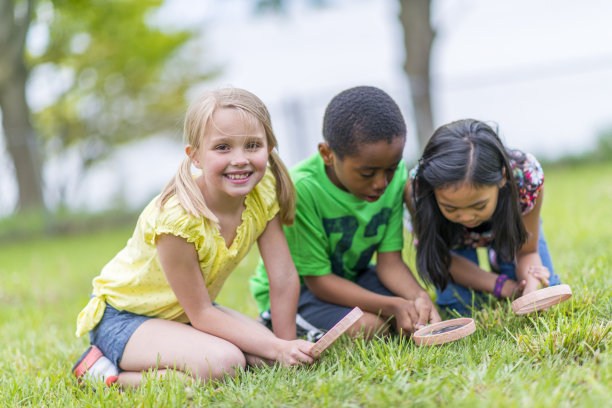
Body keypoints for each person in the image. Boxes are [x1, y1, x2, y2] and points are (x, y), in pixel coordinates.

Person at [72, 87, 314, 388]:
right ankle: (104, 375)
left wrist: (286, 346)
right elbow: (201, 313)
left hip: (182, 316)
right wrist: (279, 348)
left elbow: (283, 276)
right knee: (226, 364)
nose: (240, 160)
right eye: (223, 147)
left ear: (269, 148)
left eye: (252, 145)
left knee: (263, 360)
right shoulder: (178, 219)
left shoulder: (262, 190)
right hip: (126, 319)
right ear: (195, 156)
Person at [249, 86, 440, 340]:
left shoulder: (394, 179)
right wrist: (392, 304)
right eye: (367, 173)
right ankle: (267, 325)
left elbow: (390, 262)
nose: (381, 183)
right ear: (327, 154)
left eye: (391, 169)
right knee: (370, 329)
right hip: (302, 290)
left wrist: (417, 297)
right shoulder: (302, 189)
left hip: (355, 276)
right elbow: (319, 281)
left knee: (412, 315)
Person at [405, 119, 561, 316]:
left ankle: (501, 255)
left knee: (547, 290)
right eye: (450, 208)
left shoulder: (525, 176)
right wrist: (502, 286)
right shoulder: (419, 191)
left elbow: (527, 251)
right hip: (453, 245)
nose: (467, 217)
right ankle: (499, 264)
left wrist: (531, 285)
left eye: (478, 205)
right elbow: (439, 257)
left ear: (503, 177)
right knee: (460, 306)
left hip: (508, 230)